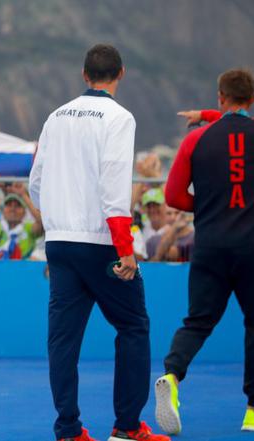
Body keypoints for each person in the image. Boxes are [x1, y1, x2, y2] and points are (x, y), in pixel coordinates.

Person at [29, 44, 169, 441]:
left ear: (83, 74)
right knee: (133, 326)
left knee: (63, 339)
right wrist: (125, 248)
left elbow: (35, 183)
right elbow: (113, 184)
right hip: (102, 242)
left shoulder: (55, 117)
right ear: (120, 73)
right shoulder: (119, 118)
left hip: (59, 242)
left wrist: (57, 225)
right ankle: (127, 427)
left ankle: (69, 430)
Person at [155, 69, 254, 434]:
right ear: (253, 99)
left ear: (219, 97)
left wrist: (212, 205)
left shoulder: (195, 141)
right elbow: (248, 124)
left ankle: (172, 377)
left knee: (197, 321)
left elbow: (173, 197)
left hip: (209, 245)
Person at [0, 180, 43, 260]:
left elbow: (42, 222)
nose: (13, 209)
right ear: (3, 210)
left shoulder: (29, 228)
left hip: (22, 271)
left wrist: (23, 195)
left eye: (18, 206)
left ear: (24, 211)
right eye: (8, 205)